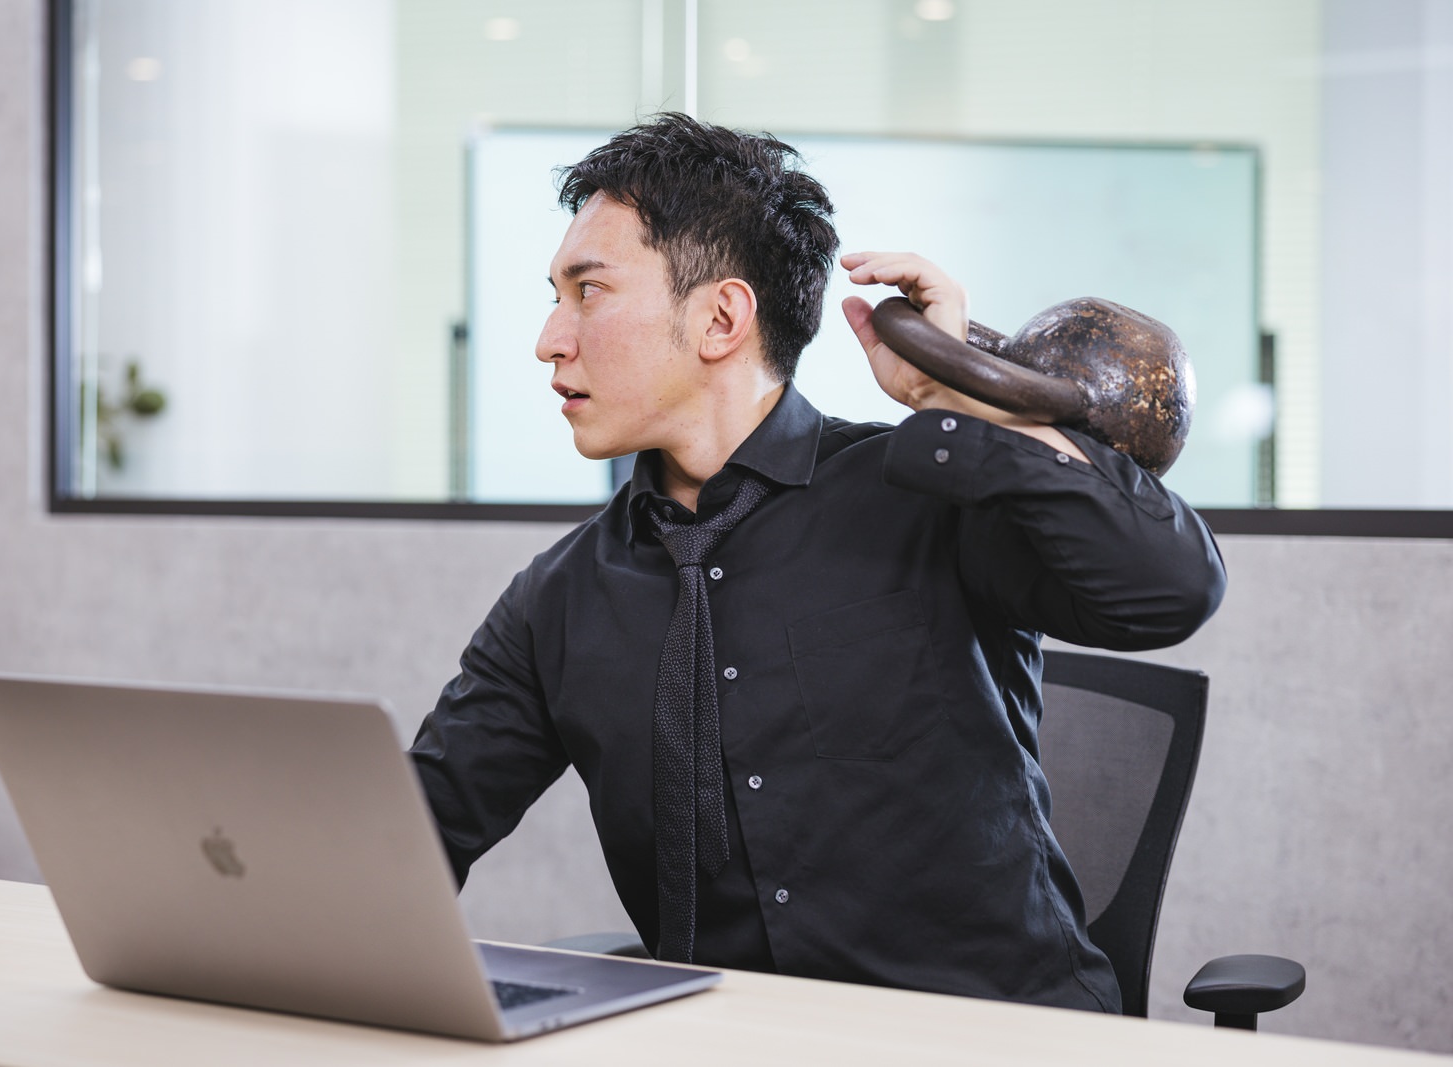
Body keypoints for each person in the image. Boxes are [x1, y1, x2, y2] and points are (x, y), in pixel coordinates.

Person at [410, 113, 1225, 1013]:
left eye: (588, 292)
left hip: (990, 1031)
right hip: (731, 1036)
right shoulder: (559, 598)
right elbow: (414, 834)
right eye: (555, 297)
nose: (549, 339)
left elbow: (1170, 589)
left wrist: (967, 400)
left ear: (721, 317)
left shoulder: (928, 491)